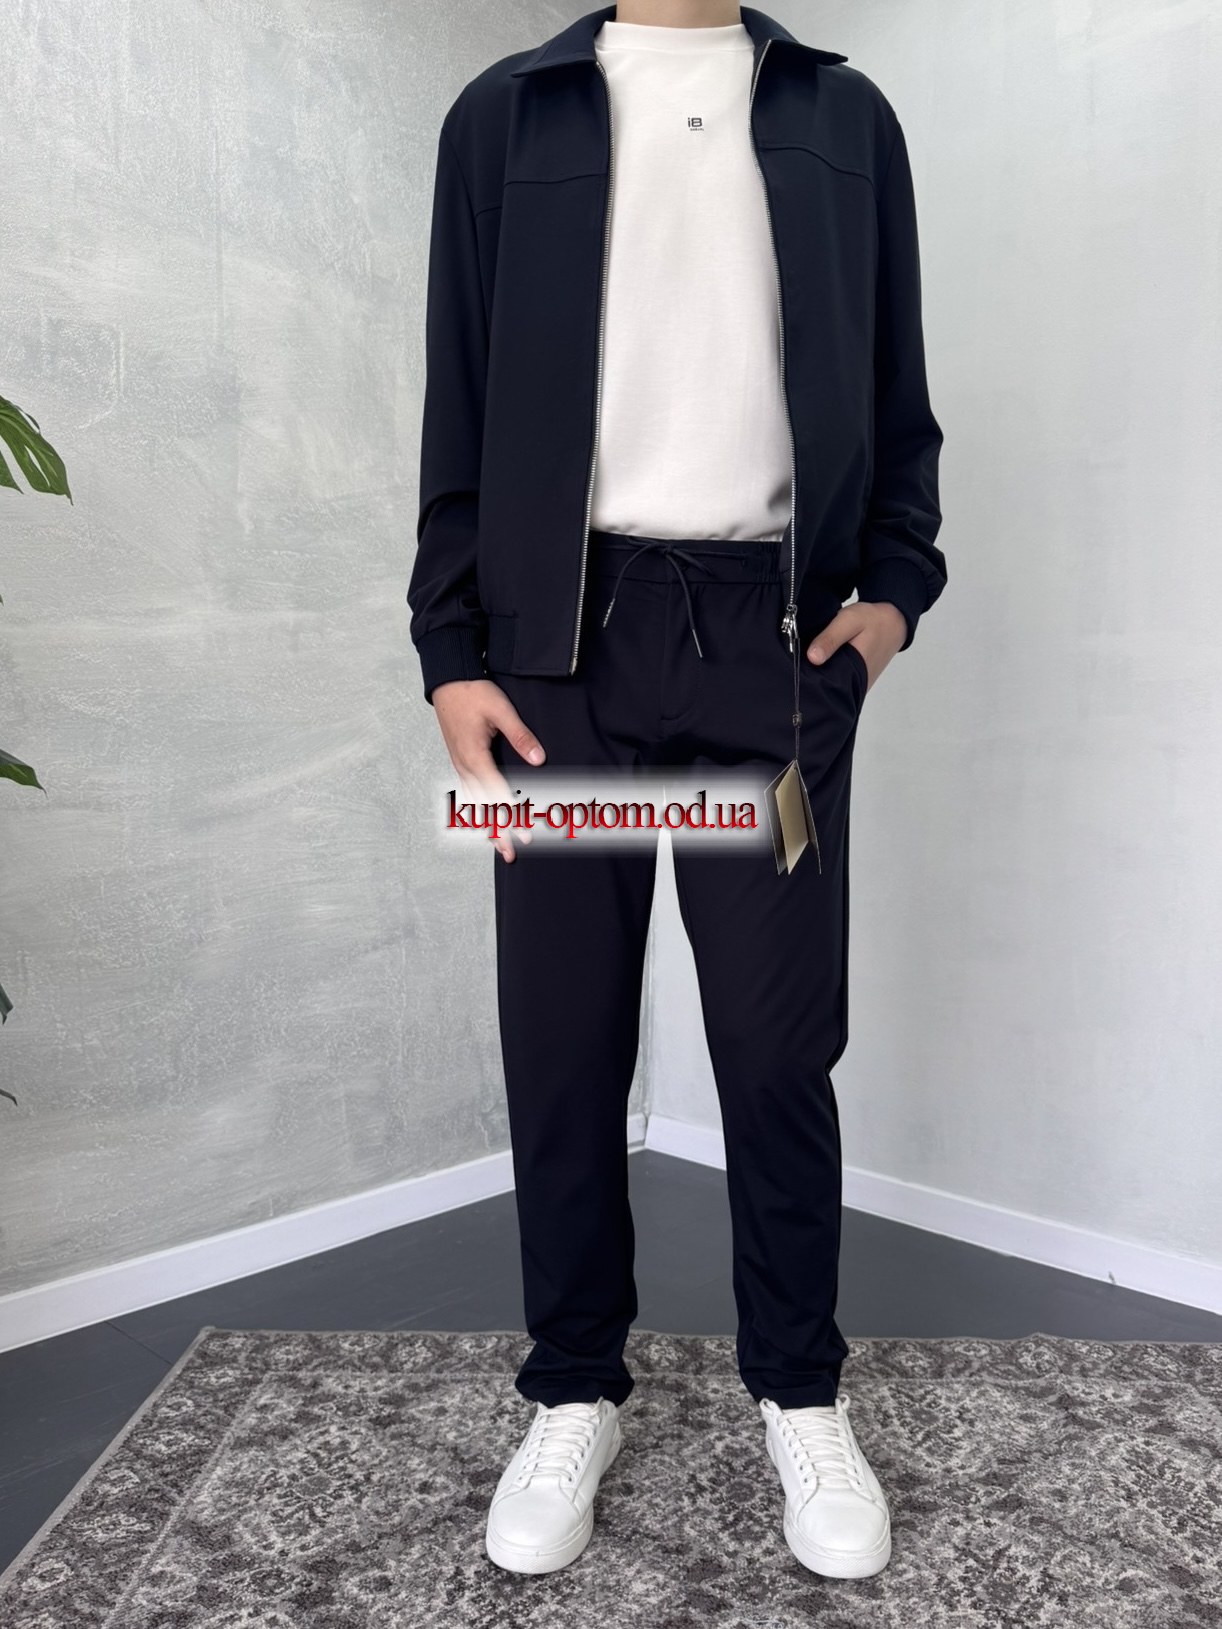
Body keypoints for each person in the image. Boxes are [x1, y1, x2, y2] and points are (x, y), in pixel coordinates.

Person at [408, 0, 946, 1580]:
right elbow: (458, 391)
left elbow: (895, 388)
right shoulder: (505, 115)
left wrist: (891, 600)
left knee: (777, 1047)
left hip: (769, 660)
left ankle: (799, 1388)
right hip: (553, 659)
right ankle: (573, 1383)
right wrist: (448, 649)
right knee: (561, 1037)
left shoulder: (844, 119)